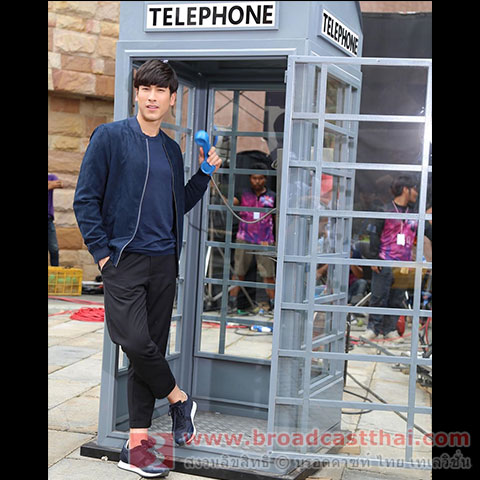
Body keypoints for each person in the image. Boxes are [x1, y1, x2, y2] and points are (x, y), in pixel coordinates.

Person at [73, 59, 222, 477]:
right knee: (135, 341)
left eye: (160, 91)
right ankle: (178, 399)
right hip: (123, 260)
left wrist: (205, 173)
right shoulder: (110, 137)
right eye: (145, 89)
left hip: (163, 263)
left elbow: (178, 202)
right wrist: (102, 254)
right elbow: (85, 199)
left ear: (172, 99)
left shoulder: (172, 150)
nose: (152, 97)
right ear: (136, 94)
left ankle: (136, 448)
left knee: (149, 349)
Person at [364, 175, 432, 344]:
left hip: (404, 264)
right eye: (414, 189)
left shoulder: (414, 215)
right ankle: (373, 329)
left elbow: (428, 231)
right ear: (405, 189)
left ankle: (390, 329)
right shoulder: (385, 210)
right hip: (384, 260)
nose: (416, 193)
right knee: (379, 296)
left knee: (396, 298)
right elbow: (374, 234)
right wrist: (374, 259)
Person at [229, 164, 276, 314]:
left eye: (260, 178)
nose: (257, 181)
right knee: (238, 272)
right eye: (254, 178)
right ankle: (231, 304)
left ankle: (273, 306)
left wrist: (275, 239)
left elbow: (276, 218)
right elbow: (230, 203)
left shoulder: (272, 196)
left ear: (265, 179)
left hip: (265, 239)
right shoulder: (243, 194)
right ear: (250, 178)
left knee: (268, 275)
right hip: (244, 237)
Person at [48, 173, 63, 266]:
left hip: (48, 220)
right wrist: (49, 184)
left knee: (54, 248)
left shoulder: (51, 177)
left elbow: (60, 184)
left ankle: (55, 271)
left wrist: (50, 184)